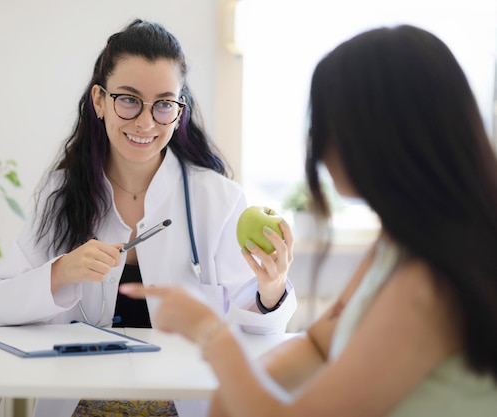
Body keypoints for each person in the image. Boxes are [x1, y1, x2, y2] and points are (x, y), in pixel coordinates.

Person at [121, 24, 497, 416]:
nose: (315, 145)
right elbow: (319, 344)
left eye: (326, 125)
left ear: (380, 137)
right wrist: (234, 391)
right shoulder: (398, 245)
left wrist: (211, 335)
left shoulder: (425, 286)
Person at [0, 19, 297, 417]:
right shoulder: (61, 194)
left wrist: (272, 289)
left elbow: (255, 334)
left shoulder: (218, 200)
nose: (146, 122)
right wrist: (61, 272)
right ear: (99, 100)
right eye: (128, 99)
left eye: (164, 104)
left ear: (180, 111)